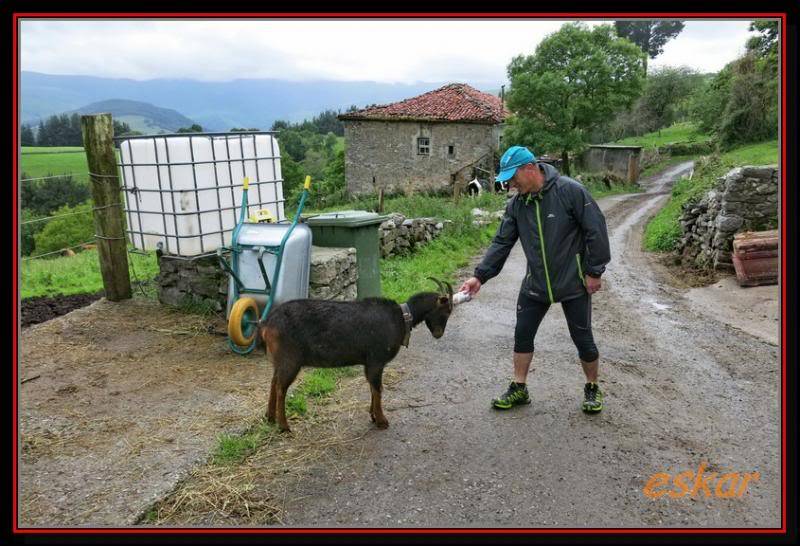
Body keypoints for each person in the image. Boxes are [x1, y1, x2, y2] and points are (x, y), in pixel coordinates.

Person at [459, 146, 611, 413]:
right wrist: (479, 276)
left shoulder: (570, 191)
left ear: (530, 168)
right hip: (536, 282)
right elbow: (501, 243)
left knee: (582, 338)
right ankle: (519, 387)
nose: (510, 184)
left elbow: (595, 229)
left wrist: (594, 271)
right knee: (522, 334)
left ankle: (592, 387)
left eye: (512, 177)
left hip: (573, 281)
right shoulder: (518, 205)